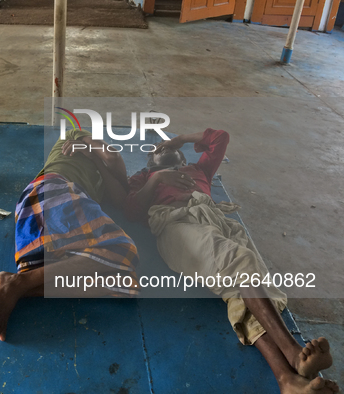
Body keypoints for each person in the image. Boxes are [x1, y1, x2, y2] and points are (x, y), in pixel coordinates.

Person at [125, 128, 339, 394]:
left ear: (182, 157)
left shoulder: (198, 170)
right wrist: (157, 179)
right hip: (176, 224)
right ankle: (294, 352)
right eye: (157, 151)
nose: (164, 149)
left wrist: (180, 139)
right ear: (149, 162)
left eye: (170, 148)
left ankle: (287, 380)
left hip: (215, 222)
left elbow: (220, 138)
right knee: (243, 262)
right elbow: (132, 209)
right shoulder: (145, 177)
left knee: (244, 292)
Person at [0, 128, 139, 341]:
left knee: (124, 282)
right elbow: (113, 155)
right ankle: (21, 283)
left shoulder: (96, 173)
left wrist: (99, 162)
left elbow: (121, 195)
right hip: (53, 192)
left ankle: (17, 286)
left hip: (41, 213)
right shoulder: (73, 137)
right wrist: (91, 146)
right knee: (123, 252)